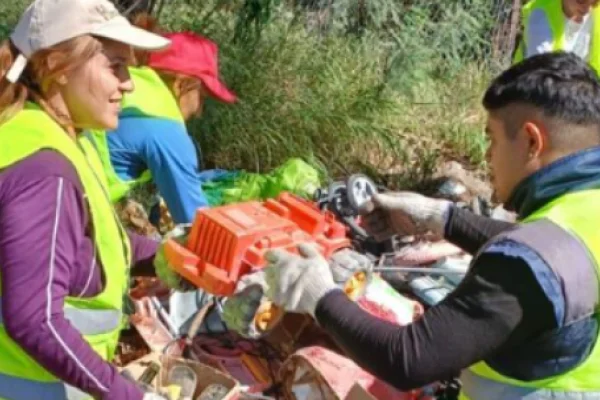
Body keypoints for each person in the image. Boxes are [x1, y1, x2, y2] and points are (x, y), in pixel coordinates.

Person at [236, 52, 600, 399]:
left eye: (491, 138)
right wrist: (441, 218)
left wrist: (318, 295)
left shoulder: (527, 266)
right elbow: (559, 253)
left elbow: (409, 359)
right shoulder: (584, 210)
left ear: (532, 142)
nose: (488, 156)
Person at [0, 0, 174, 398]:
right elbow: (35, 319)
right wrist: (131, 395)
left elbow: (81, 241)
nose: (128, 83)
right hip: (30, 385)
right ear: (58, 67)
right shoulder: (46, 169)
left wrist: (162, 257)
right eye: (115, 66)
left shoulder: (41, 130)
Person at [85, 14, 237, 225]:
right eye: (201, 98)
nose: (199, 111)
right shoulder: (167, 132)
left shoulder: (128, 85)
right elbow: (195, 222)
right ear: (181, 85)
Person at [513, 0, 600, 70]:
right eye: (581, 1)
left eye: (594, 2)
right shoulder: (541, 15)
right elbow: (540, 71)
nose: (587, 9)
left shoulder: (596, 13)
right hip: (532, 85)